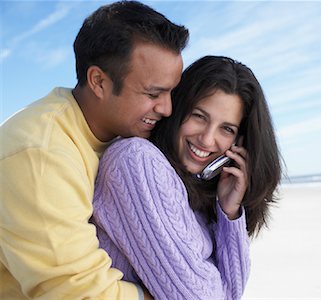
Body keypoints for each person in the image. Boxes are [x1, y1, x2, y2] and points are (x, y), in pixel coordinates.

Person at [0, 1, 188, 299]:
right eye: (153, 93)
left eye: (171, 92)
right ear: (99, 82)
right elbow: (76, 292)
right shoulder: (40, 153)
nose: (166, 108)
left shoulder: (125, 136)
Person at [91, 55, 282, 299]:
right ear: (178, 109)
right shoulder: (136, 161)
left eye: (227, 129)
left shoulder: (193, 188)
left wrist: (229, 212)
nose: (206, 139)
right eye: (199, 116)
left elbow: (232, 294)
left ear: (238, 142)